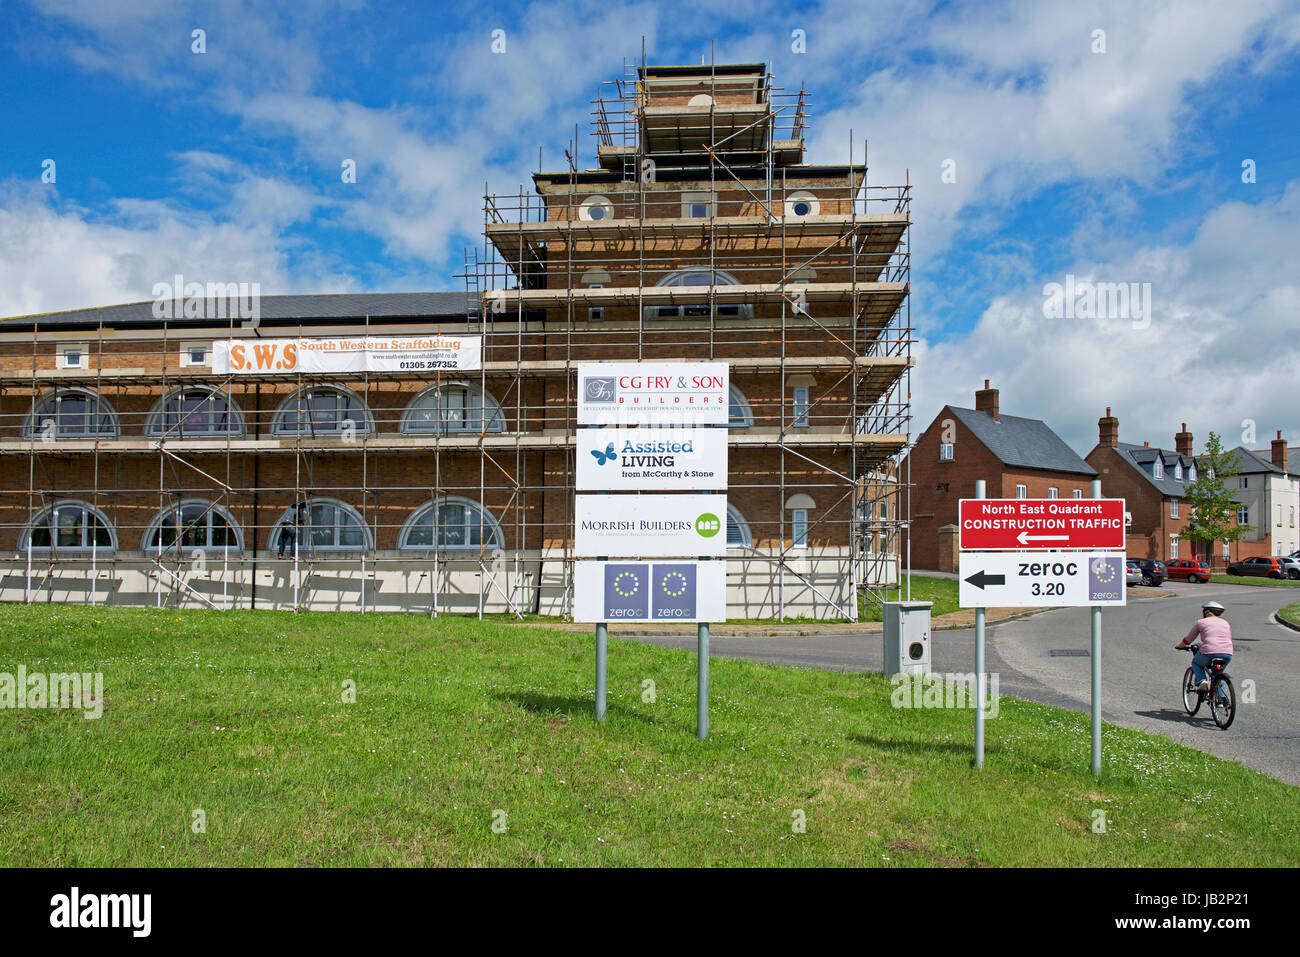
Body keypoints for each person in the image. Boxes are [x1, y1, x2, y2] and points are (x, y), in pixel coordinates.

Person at [1174, 600, 1233, 692]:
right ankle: (1221, 701)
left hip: (1209, 651)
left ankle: (1202, 681)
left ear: (1207, 612)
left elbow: (1189, 639)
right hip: (1227, 652)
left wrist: (1180, 646)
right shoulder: (1225, 623)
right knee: (1218, 675)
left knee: (1196, 663)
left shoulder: (1201, 622)